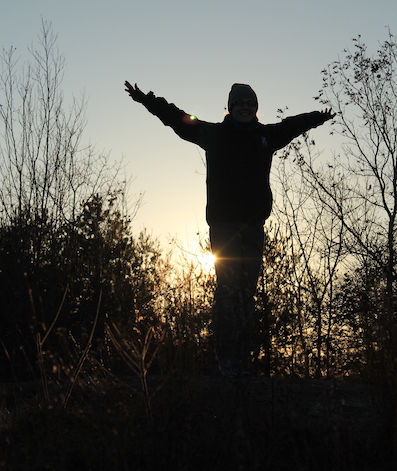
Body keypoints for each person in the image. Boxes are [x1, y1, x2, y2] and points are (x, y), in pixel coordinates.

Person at [124, 81, 334, 376]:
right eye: (240, 104)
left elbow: (291, 126)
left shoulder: (265, 136)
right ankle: (225, 357)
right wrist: (147, 100)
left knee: (246, 293)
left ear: (255, 109)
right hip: (224, 225)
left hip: (253, 226)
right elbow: (178, 118)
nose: (246, 108)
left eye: (250, 104)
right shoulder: (214, 134)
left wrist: (317, 117)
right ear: (231, 107)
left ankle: (242, 359)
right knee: (227, 289)